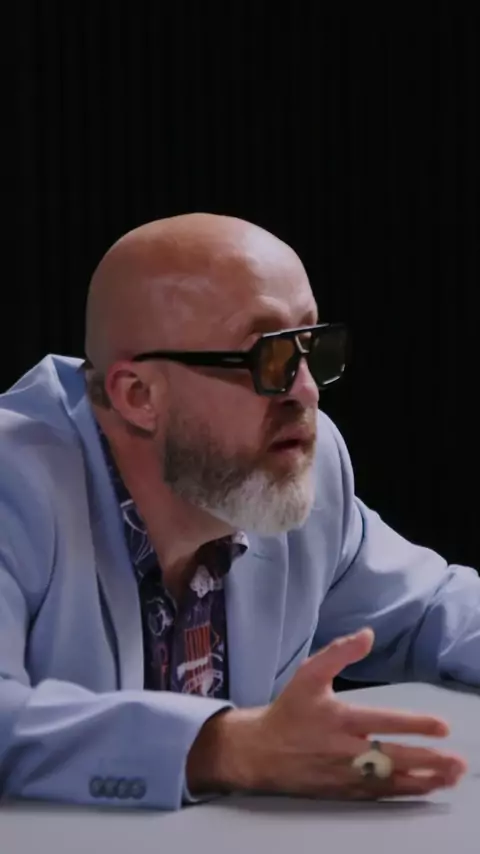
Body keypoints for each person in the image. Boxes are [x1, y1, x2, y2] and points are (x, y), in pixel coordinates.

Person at [0, 213, 477, 811]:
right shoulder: (15, 482)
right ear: (138, 395)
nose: (307, 391)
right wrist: (227, 749)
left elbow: (431, 608)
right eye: (270, 358)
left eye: (312, 348)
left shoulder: (295, 465)